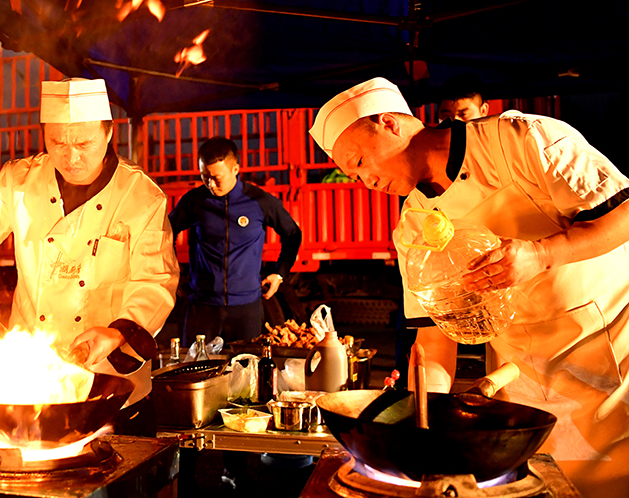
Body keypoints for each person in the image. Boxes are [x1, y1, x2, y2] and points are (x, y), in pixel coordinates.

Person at [310, 77, 629, 495]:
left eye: (359, 161)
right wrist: (424, 427)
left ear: (389, 123)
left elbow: (623, 214)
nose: (362, 180)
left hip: (612, 356)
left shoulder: (520, 140)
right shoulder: (411, 227)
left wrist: (541, 254)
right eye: (352, 174)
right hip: (523, 389)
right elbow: (434, 339)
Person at [0, 77, 179, 436]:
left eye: (83, 143)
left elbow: (155, 281)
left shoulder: (140, 197)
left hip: (110, 392)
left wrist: (116, 333)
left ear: (108, 134)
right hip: (32, 393)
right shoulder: (19, 181)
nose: (71, 156)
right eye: (57, 142)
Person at [169, 136, 302, 347]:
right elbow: (165, 233)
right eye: (205, 176)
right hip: (202, 307)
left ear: (235, 169)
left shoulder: (259, 201)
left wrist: (280, 274)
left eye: (216, 177)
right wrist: (172, 273)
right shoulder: (195, 201)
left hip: (246, 307)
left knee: (246, 372)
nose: (211, 184)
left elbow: (292, 234)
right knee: (194, 371)